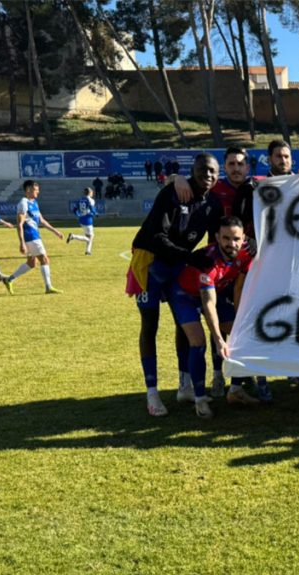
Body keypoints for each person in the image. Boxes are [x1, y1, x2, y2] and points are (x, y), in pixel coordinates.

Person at [126, 154, 223, 417]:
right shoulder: (175, 191)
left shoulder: (213, 202)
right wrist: (188, 256)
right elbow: (156, 236)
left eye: (213, 171)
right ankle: (152, 393)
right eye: (203, 170)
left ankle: (185, 386)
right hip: (151, 263)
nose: (209, 176)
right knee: (150, 325)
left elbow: (215, 240)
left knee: (185, 322)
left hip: (179, 265)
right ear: (193, 170)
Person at [170, 216, 256, 418]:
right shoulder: (208, 261)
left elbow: (239, 288)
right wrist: (218, 339)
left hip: (216, 293)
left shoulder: (246, 253)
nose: (231, 243)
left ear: (244, 237)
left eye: (236, 238)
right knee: (198, 341)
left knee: (238, 335)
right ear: (217, 237)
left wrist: (239, 317)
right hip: (185, 296)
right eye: (226, 238)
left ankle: (235, 390)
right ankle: (199, 399)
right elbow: (208, 304)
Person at [1, 180, 64, 295]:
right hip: (30, 236)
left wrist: (56, 231)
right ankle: (48, 287)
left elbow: (42, 220)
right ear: (28, 190)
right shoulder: (23, 203)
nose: (38, 192)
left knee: (31, 263)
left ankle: (9, 280)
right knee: (44, 259)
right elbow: (19, 224)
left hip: (35, 235)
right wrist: (22, 243)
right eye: (36, 190)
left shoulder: (34, 202)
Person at [66, 187, 97, 255]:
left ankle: (88, 251)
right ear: (90, 193)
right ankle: (73, 236)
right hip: (88, 220)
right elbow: (92, 209)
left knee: (88, 236)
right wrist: (95, 214)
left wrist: (78, 215)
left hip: (81, 219)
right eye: (92, 192)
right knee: (90, 237)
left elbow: (74, 209)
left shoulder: (80, 200)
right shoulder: (91, 200)